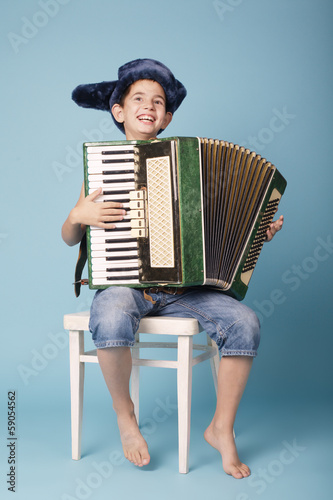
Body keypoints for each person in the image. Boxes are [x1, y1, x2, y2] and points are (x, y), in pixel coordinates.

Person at [62, 58, 284, 479]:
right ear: (119, 111)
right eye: (138, 98)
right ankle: (125, 416)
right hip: (128, 285)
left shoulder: (190, 163)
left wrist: (256, 229)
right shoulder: (105, 167)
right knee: (109, 314)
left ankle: (221, 427)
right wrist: (78, 216)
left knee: (245, 322)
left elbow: (227, 222)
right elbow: (70, 237)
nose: (148, 106)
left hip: (187, 291)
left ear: (165, 118)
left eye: (158, 101)